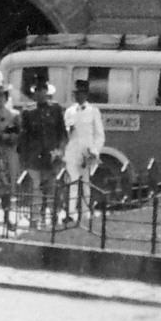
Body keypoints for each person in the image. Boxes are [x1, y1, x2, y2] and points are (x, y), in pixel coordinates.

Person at [17, 81, 66, 228]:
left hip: (51, 156)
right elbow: (23, 136)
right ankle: (35, 219)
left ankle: (52, 218)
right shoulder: (28, 112)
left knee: (51, 189)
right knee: (36, 188)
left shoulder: (56, 110)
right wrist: (23, 158)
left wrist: (59, 152)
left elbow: (62, 133)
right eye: (36, 91)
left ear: (47, 92)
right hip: (34, 156)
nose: (39, 94)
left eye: (42, 90)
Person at [62, 77, 105, 222]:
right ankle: (70, 213)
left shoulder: (93, 111)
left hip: (87, 152)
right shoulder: (69, 111)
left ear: (86, 94)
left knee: (85, 182)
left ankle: (86, 214)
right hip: (72, 151)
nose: (78, 96)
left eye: (80, 93)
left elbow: (99, 135)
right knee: (73, 182)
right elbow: (65, 134)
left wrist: (94, 151)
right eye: (76, 93)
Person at [0, 81, 22, 234]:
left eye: (1, 96)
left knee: (7, 189)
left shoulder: (14, 115)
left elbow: (18, 135)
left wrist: (6, 137)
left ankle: (7, 218)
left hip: (7, 154)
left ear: (6, 98)